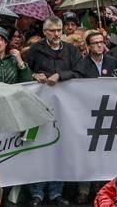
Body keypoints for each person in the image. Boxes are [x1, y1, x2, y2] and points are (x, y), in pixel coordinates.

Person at [22, 17, 79, 206]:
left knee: (59, 148)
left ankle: (56, 192)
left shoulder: (71, 50)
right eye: (53, 30)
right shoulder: (35, 50)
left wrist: (60, 75)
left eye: (59, 30)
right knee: (37, 148)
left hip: (64, 108)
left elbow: (79, 72)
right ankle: (37, 192)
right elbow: (24, 72)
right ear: (45, 32)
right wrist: (33, 75)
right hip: (38, 105)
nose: (57, 34)